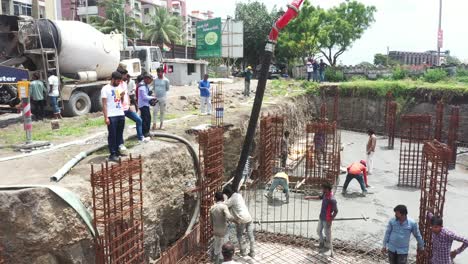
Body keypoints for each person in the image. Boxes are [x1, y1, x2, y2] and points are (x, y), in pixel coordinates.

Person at [305, 182, 338, 257]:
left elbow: (336, 211)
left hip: (327, 219)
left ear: (327, 189)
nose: (322, 190)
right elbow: (319, 197)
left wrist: (331, 220)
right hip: (321, 217)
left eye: (323, 188)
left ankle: (331, 252)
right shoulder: (324, 194)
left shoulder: (332, 199)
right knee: (318, 231)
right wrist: (309, 197)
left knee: (328, 235)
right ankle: (322, 243)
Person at [223, 185, 255, 257]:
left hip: (242, 219)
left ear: (227, 194)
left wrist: (225, 198)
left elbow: (224, 205)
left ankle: (243, 252)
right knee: (251, 235)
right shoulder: (238, 195)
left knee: (239, 235)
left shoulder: (232, 199)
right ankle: (252, 252)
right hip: (248, 217)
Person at [119, 69, 148, 145]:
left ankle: (140, 138)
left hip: (127, 108)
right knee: (120, 127)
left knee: (139, 120)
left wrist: (129, 105)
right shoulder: (117, 85)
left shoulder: (125, 84)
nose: (126, 76)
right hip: (119, 110)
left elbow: (127, 94)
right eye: (125, 75)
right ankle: (120, 144)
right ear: (121, 75)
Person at [101, 71, 126, 162]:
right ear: (113, 79)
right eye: (117, 81)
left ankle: (118, 151)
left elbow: (120, 102)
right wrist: (106, 117)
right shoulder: (105, 89)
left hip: (120, 113)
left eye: (120, 81)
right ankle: (112, 153)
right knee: (112, 135)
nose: (119, 82)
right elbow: (104, 104)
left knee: (119, 134)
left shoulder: (119, 88)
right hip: (111, 115)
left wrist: (122, 96)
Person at [210, 192, 234, 264]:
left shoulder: (212, 208)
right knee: (224, 249)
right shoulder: (223, 207)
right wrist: (234, 219)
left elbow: (211, 222)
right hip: (223, 232)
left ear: (215, 199)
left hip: (216, 231)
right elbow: (229, 217)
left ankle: (216, 262)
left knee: (217, 249)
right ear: (222, 198)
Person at [138, 73, 156, 137]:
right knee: (146, 119)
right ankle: (145, 132)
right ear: (146, 79)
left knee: (147, 118)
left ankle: (146, 132)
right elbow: (144, 97)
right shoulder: (142, 86)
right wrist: (153, 98)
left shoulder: (145, 85)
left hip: (145, 104)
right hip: (143, 105)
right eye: (150, 80)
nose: (151, 81)